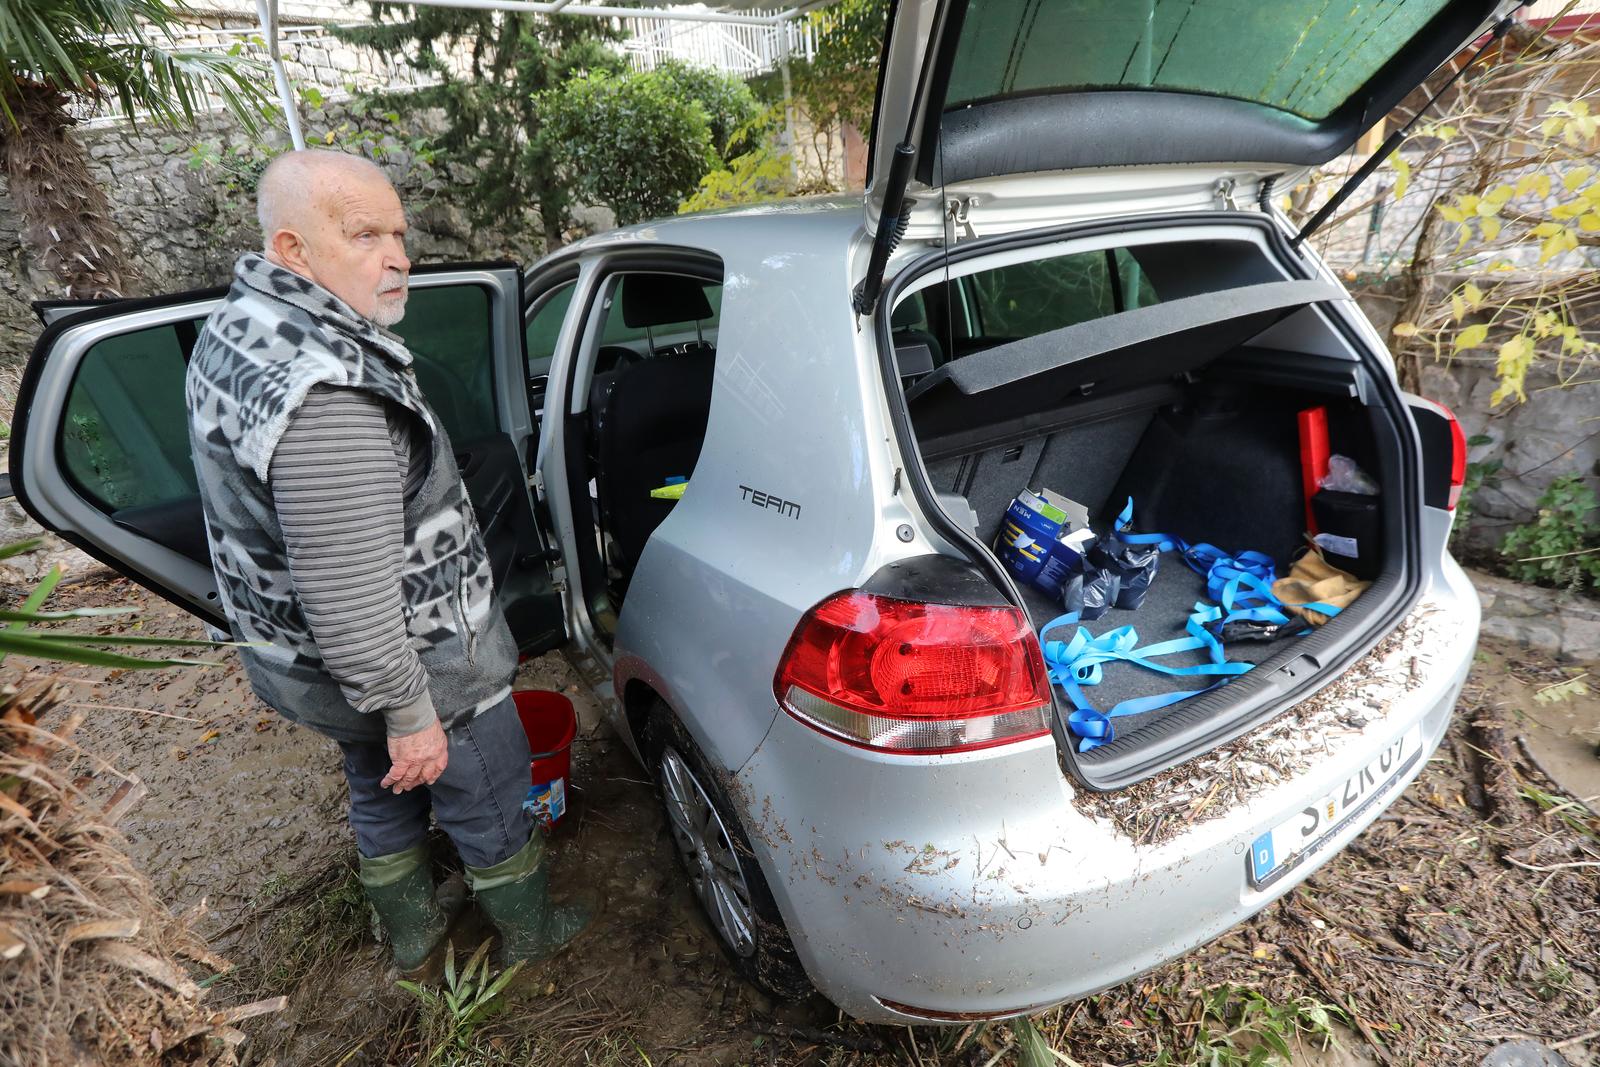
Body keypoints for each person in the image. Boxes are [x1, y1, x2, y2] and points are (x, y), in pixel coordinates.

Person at [184, 148, 587, 975]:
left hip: (308, 664)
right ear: (293, 249)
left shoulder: (241, 326)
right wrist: (410, 710)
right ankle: (530, 931)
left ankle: (410, 928)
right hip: (423, 661)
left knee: (377, 779)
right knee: (487, 790)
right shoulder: (328, 397)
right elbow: (350, 596)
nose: (398, 256)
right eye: (365, 235)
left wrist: (384, 718)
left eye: (399, 233)